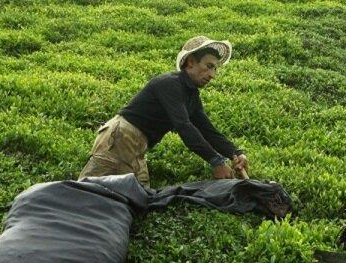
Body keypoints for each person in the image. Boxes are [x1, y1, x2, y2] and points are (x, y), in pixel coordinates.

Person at [78, 36, 248, 188]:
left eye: (215, 69)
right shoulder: (170, 84)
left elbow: (206, 129)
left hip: (137, 146)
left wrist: (235, 153)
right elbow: (184, 126)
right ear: (190, 62)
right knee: (88, 192)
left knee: (138, 200)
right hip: (121, 138)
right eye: (209, 66)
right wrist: (216, 161)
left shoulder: (190, 93)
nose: (212, 75)